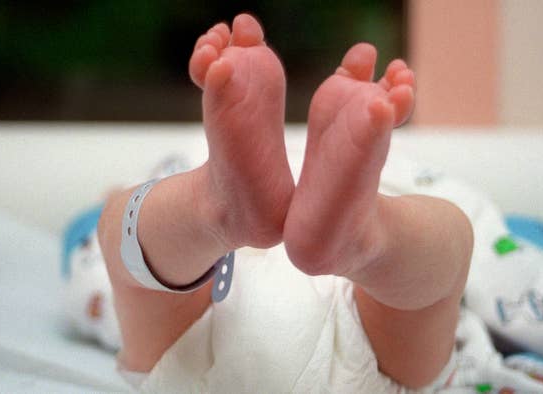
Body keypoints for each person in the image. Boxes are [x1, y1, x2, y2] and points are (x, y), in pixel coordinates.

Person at [96, 13, 471, 392]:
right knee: (449, 247)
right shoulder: (407, 169)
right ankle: (370, 238)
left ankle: (212, 205)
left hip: (188, 345)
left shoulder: (172, 164)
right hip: (378, 354)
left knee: (121, 233)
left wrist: (109, 205)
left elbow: (96, 274)